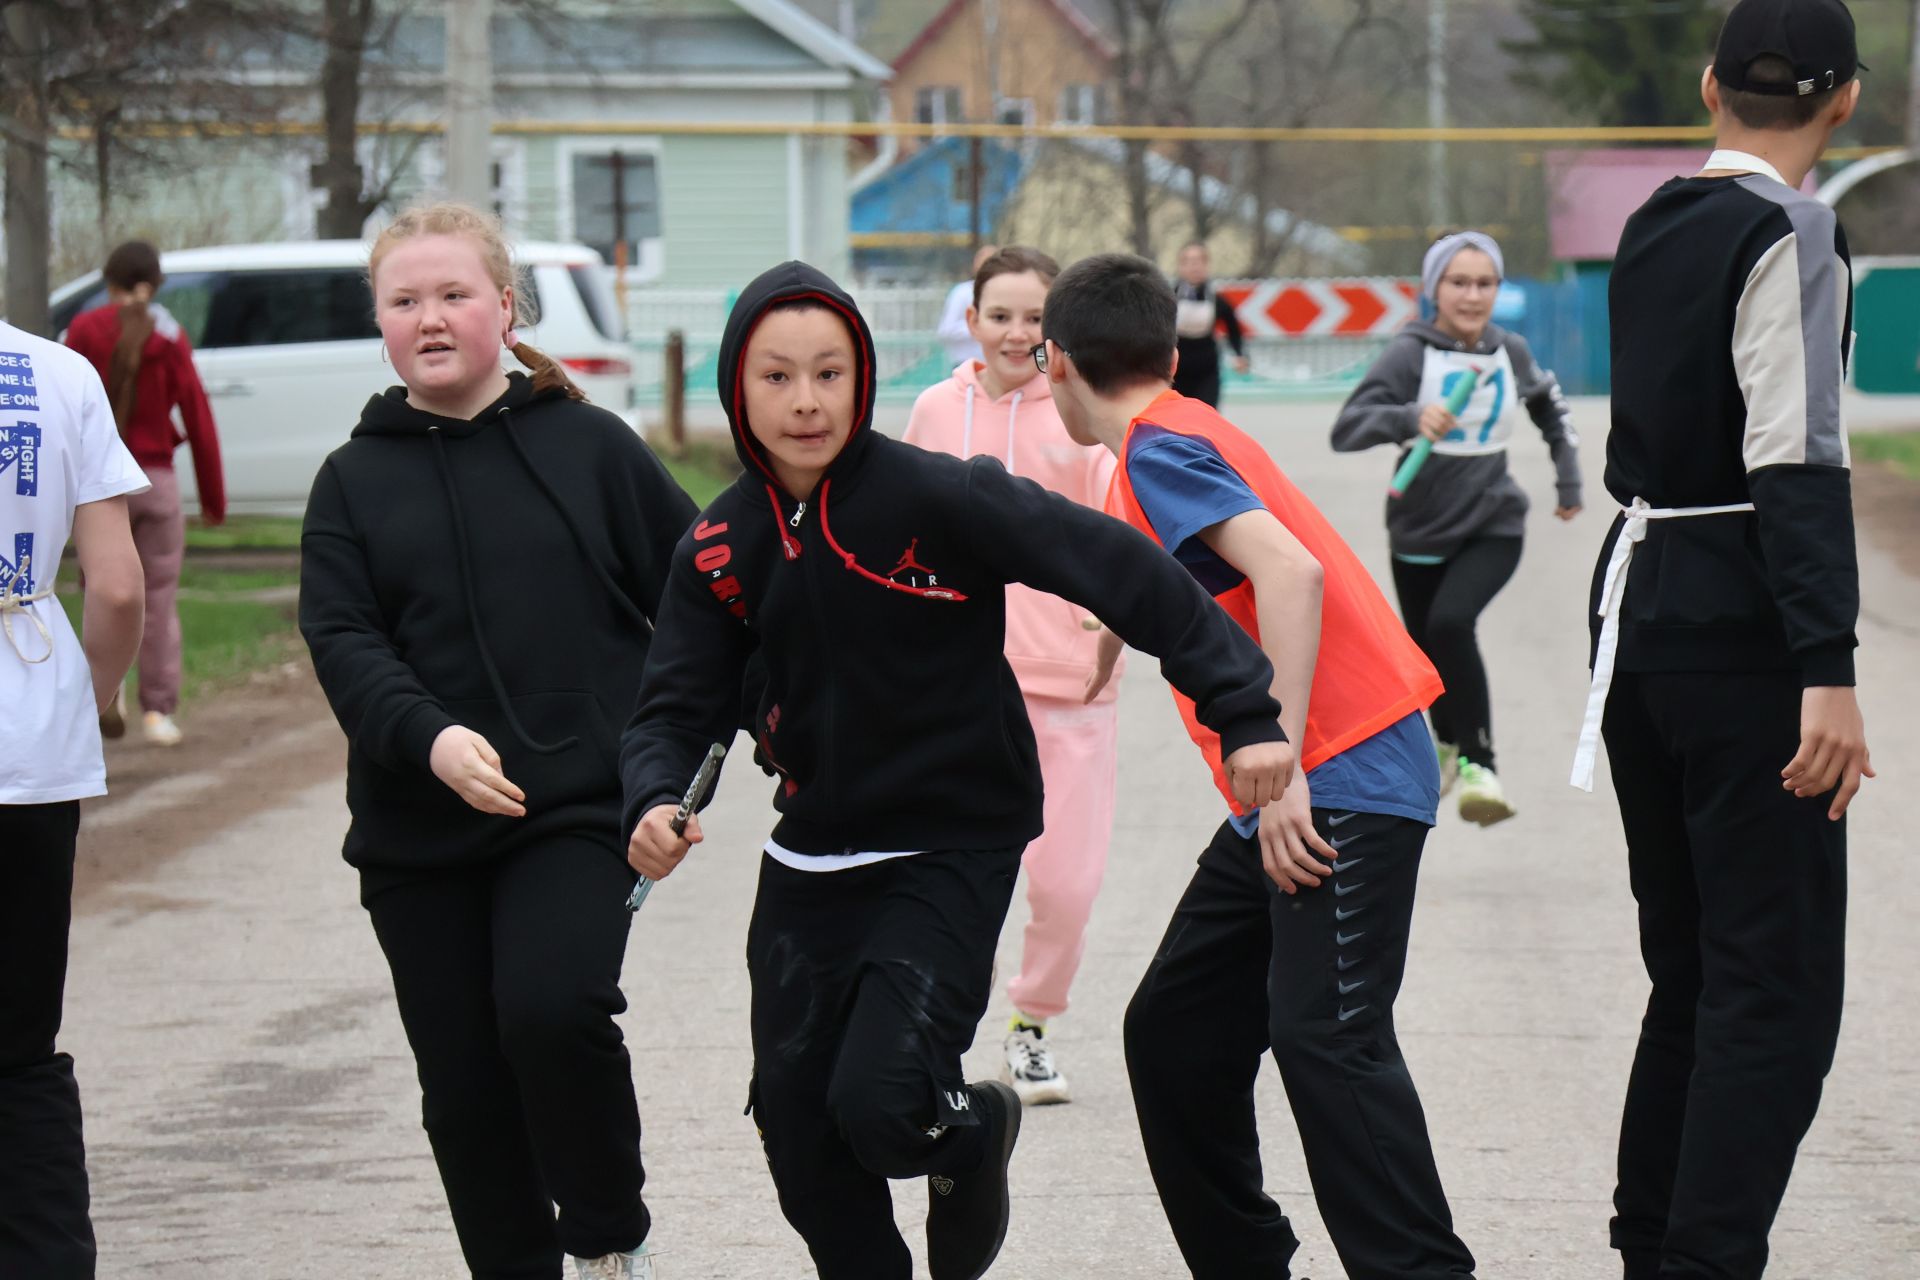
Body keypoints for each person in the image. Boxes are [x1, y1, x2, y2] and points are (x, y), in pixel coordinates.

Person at [620, 260, 1292, 1280]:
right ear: (738, 389)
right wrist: (658, 796)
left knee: (884, 1106)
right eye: (777, 377)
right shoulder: (719, 543)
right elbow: (674, 701)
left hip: (951, 837)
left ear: (863, 379)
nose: (805, 401)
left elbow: (1125, 569)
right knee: (802, 1142)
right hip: (810, 856)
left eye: (829, 373)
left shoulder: (939, 497)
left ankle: (972, 1130)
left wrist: (1242, 708)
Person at [1045, 253, 1478, 1280]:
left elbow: (1290, 571)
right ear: (1175, 345)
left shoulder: (1160, 450)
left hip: (1341, 767)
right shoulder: (1170, 438)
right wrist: (1102, 648)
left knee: (1327, 1034)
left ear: (1054, 361)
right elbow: (1150, 571)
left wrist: (1274, 761)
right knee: (1175, 1033)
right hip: (1300, 775)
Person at [298, 202, 696, 1280]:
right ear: (380, 322)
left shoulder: (594, 447)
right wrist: (427, 738)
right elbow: (341, 637)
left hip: (572, 809)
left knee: (551, 1009)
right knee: (465, 1086)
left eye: (454, 294)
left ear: (506, 308)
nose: (430, 317)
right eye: (404, 300)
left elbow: (708, 596)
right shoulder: (351, 480)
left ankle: (610, 1234)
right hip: (415, 828)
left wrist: (696, 762)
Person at [1573, 4, 1873, 1276]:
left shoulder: (1654, 221)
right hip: (1738, 633)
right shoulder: (1792, 229)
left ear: (1708, 87)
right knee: (1777, 990)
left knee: (1693, 973)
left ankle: (1655, 1246)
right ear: (1845, 100)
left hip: (1634, 623)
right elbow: (1795, 455)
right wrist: (1830, 664)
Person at [903, 245, 1120, 1106]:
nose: (1017, 332)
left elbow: (1121, 514)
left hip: (1070, 681)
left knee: (1065, 883)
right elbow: (900, 526)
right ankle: (938, 1031)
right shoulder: (931, 409)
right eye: (1001, 315)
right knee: (951, 875)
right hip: (957, 686)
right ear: (972, 318)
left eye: (1036, 318)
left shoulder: (1076, 412)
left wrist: (1111, 612)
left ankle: (1031, 1023)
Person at [1331, 229, 1583, 825]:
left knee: (1451, 622)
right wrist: (1410, 416)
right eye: (1458, 282)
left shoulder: (1509, 350)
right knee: (1426, 655)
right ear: (1434, 289)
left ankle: (1480, 762)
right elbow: (1348, 430)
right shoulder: (1410, 352)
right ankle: (1446, 745)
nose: (1472, 296)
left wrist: (1567, 480)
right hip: (1419, 527)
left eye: (1485, 283)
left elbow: (1553, 413)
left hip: (1495, 521)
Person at [0, 320, 148, 1278]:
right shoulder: (57, 371)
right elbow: (119, 589)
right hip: (24, 734)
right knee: (17, 1043)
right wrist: (80, 701)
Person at [63, 240, 226, 748]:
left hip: (99, 490)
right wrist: (214, 501)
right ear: (155, 284)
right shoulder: (171, 335)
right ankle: (160, 712)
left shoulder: (84, 331)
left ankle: (106, 697)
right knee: (158, 599)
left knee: (99, 592)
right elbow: (197, 415)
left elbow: (63, 407)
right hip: (156, 482)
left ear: (108, 281)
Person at [1170, 241, 1249, 407]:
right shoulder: (1168, 297)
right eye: (1189, 262)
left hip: (1206, 369)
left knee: (1206, 415)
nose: (1195, 267)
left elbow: (1233, 328)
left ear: (1207, 266)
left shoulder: (1218, 300)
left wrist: (1239, 354)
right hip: (1175, 370)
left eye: (1199, 261)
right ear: (1181, 266)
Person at [936, 243, 999, 370]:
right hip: (966, 364)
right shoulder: (963, 293)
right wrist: (979, 327)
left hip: (996, 366)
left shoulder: (1007, 293)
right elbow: (946, 330)